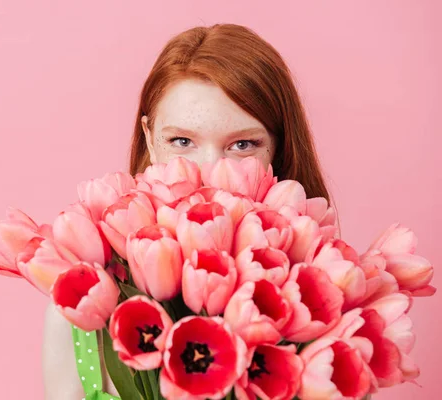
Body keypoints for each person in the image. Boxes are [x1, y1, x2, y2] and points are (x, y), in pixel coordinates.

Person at [42, 23, 331, 399]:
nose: (210, 173)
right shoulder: (82, 306)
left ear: (277, 150)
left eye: (243, 144)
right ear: (150, 139)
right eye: (182, 141)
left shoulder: (318, 303)